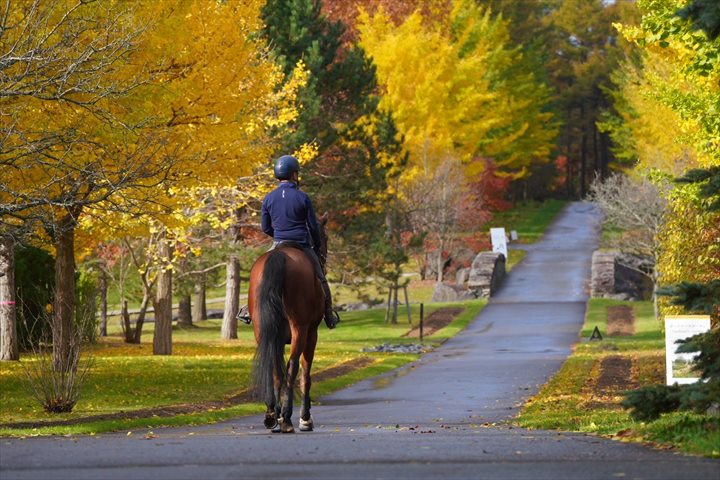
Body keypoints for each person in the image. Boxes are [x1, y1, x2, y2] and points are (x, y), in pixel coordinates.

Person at [237, 155, 339, 329]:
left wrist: (277, 234)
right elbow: (313, 227)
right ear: (294, 174)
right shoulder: (302, 197)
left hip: (278, 242)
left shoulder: (268, 198)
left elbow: (265, 226)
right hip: (301, 243)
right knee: (320, 278)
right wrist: (315, 244)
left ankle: (248, 310)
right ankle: (328, 313)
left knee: (261, 273)